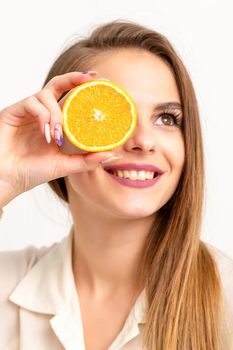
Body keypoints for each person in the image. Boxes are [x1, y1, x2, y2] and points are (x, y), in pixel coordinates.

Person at [0, 20, 232, 350]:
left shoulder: (227, 296)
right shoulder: (6, 283)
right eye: (108, 116)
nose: (144, 142)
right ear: (59, 132)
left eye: (166, 118)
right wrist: (4, 176)